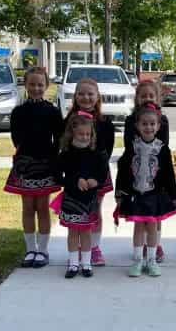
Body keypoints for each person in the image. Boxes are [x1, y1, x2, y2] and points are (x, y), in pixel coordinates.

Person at [4, 67, 63, 268]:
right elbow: (16, 138)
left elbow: (59, 139)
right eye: (32, 84)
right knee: (28, 206)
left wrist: (53, 161)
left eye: (40, 84)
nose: (36, 88)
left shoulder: (53, 111)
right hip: (25, 165)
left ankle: (43, 250)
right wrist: (24, 159)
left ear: (46, 86)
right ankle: (30, 250)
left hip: (46, 165)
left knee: (42, 207)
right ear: (26, 85)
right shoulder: (18, 112)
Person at [115, 102, 176, 277]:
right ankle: (137, 260)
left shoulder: (163, 149)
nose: (148, 127)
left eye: (152, 124)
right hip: (136, 195)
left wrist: (173, 197)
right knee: (138, 227)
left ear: (158, 126)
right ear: (137, 126)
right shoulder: (132, 148)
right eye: (144, 124)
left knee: (151, 227)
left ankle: (151, 260)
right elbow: (123, 171)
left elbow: (169, 175)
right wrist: (119, 192)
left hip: (155, 196)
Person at [51, 112, 108, 278]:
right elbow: (57, 177)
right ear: (72, 133)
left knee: (86, 232)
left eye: (88, 134)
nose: (85, 137)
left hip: (89, 200)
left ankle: (86, 263)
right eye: (81, 134)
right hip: (71, 198)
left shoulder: (97, 154)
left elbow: (102, 174)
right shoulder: (66, 154)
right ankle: (73, 263)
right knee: (73, 232)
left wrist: (95, 181)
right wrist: (74, 181)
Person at [65, 78, 114, 266]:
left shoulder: (105, 123)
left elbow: (107, 152)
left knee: (95, 211)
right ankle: (77, 247)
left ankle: (94, 248)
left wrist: (95, 176)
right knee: (75, 212)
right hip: (75, 177)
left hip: (97, 176)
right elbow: (66, 150)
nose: (86, 97)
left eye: (90, 93)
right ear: (75, 97)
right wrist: (75, 176)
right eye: (81, 93)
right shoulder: (69, 121)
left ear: (97, 97)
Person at [123, 80, 169, 263]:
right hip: (136, 170)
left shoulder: (162, 121)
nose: (147, 99)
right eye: (143, 96)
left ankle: (156, 245)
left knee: (155, 214)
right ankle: (139, 245)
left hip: (155, 170)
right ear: (137, 98)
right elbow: (128, 147)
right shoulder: (130, 120)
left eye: (151, 96)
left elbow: (164, 145)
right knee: (139, 213)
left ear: (157, 98)